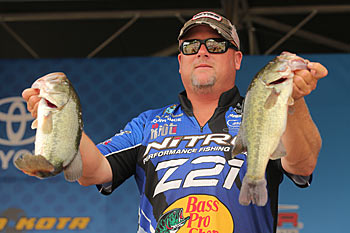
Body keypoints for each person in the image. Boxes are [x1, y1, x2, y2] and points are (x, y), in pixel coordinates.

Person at [22, 11, 327, 233]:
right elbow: (92, 171)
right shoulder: (147, 124)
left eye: (216, 44)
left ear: (236, 59)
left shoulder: (262, 111)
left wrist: (293, 99)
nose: (202, 52)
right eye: (191, 47)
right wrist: (58, 118)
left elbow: (303, 164)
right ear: (180, 62)